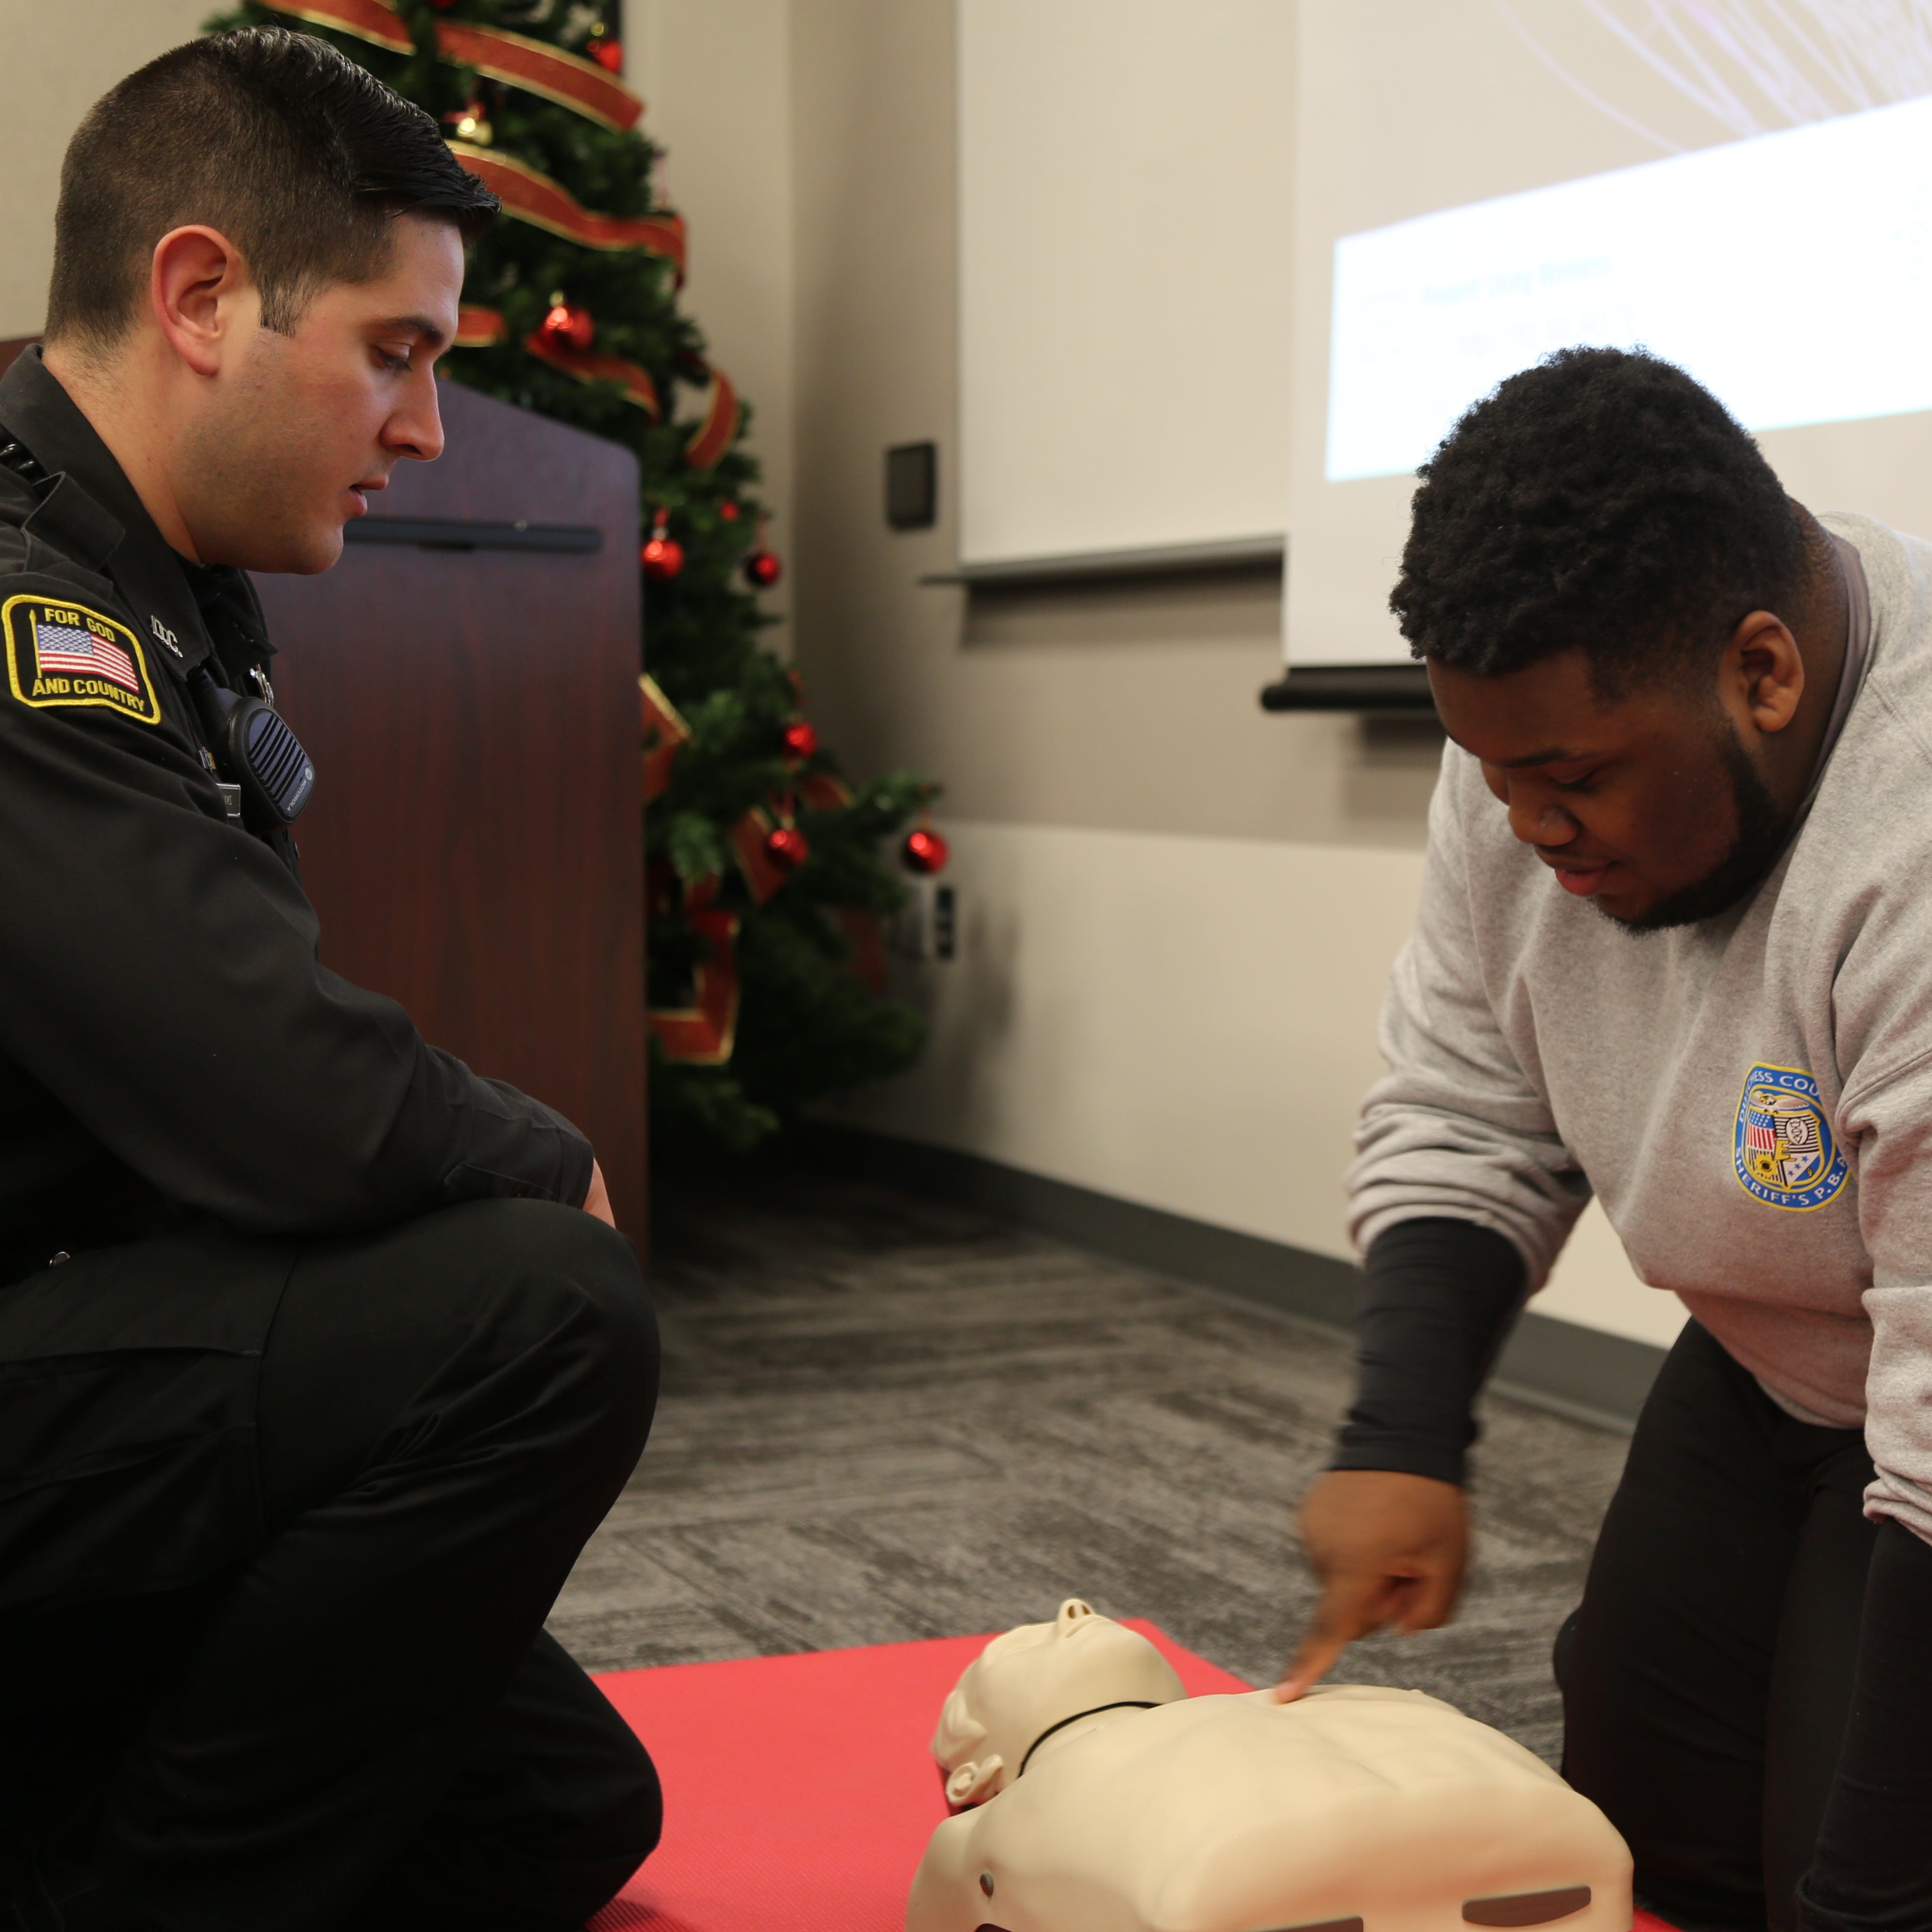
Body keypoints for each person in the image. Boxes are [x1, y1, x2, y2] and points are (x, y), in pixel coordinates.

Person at [0, 29, 660, 1932]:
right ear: (201, 297)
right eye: (397, 352)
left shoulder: (152, 581)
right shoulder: (25, 610)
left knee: (551, 1811)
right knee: (536, 1309)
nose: (428, 428)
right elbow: (268, 1094)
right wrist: (545, 1160)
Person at [1281, 348, 1932, 1932]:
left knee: (1858, 1880)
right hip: (1782, 1351)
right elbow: (1466, 1098)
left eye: (1570, 781)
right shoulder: (1531, 737)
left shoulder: (1912, 838)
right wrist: (1403, 1430)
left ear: (1763, 675)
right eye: (1498, 777)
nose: (1528, 829)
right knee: (1641, 1829)